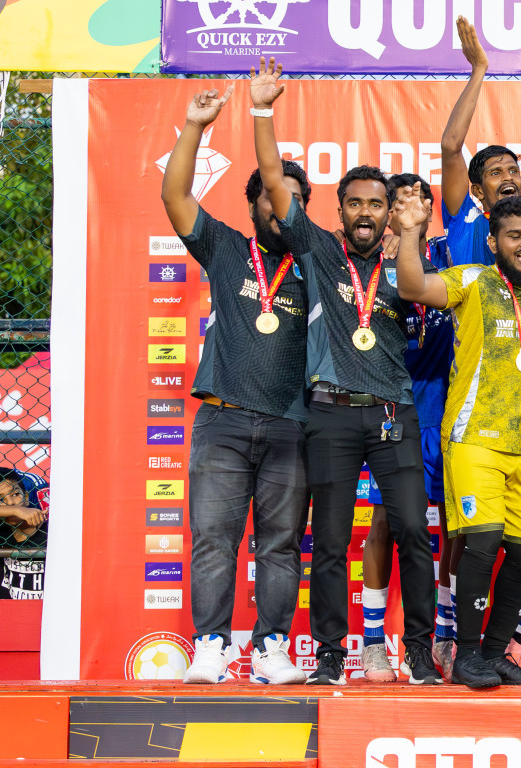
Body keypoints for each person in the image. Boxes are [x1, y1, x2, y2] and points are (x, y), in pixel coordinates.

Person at [250, 58, 441, 687]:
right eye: (355, 203)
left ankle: (418, 650)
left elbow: (424, 294)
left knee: (413, 530)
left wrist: (411, 235)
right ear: (339, 210)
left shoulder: (405, 261)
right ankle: (331, 653)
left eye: (376, 204)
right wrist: (262, 109)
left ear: (388, 212)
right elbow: (275, 181)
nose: (365, 212)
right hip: (330, 413)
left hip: (393, 414)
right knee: (329, 539)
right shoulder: (318, 249)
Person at [161, 83, 310, 686]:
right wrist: (195, 127)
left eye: (292, 199)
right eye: (271, 196)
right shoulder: (225, 248)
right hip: (222, 421)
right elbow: (175, 196)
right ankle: (211, 648)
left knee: (280, 545)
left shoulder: (316, 264)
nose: (281, 206)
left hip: (291, 426)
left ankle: (272, 649)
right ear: (252, 205)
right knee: (214, 541)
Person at [393, 182, 521, 689]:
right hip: (474, 438)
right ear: (493, 242)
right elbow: (412, 288)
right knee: (483, 542)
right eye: (514, 235)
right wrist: (410, 233)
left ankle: (493, 655)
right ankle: (465, 652)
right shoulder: (470, 280)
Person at [356, 173, 460, 682]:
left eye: (420, 200)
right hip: (394, 406)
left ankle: (445, 635)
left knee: (457, 527)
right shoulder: (367, 264)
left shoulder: (449, 254)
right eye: (399, 201)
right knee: (385, 523)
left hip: (450, 407)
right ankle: (374, 642)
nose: (410, 208)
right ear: (387, 212)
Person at [440, 16, 521, 271]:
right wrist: (479, 69)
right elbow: (451, 146)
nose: (508, 177)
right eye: (495, 173)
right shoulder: (465, 222)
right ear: (477, 191)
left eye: (513, 171)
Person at [0, 468, 47, 600]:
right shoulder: (3, 531)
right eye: (1, 499)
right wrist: (15, 510)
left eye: (15, 494)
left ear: (26, 498)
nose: (10, 503)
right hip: (9, 609)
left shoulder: (52, 532)